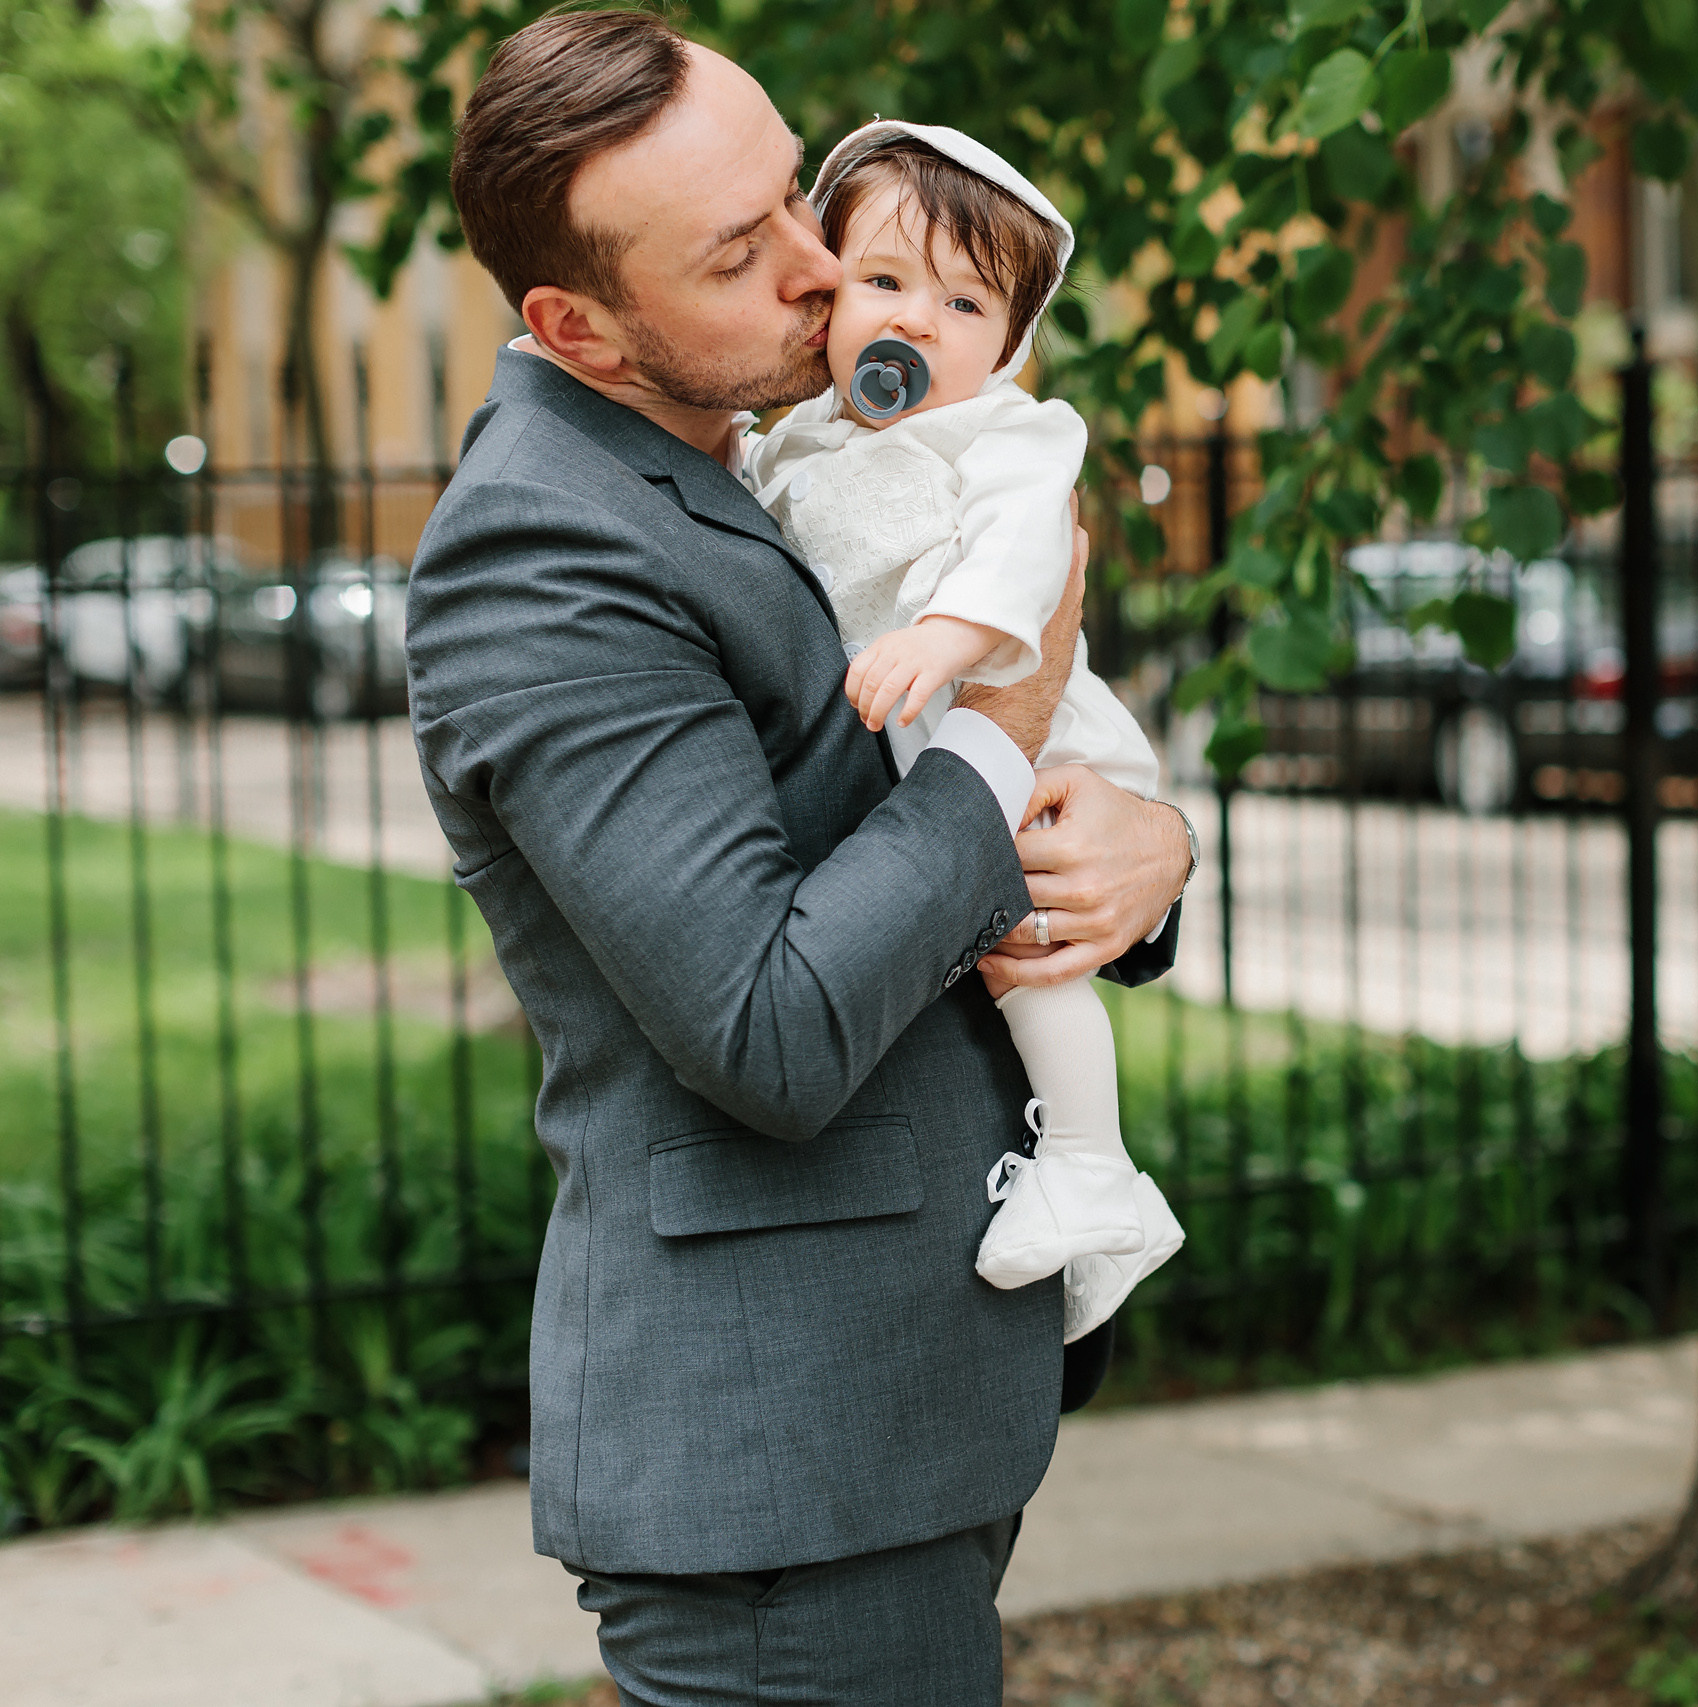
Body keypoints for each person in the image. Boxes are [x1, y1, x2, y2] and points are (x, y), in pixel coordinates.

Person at [403, 13, 1193, 1704]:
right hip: (780, 1471)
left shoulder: (771, 438)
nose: (824, 268)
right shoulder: (539, 554)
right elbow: (765, 1022)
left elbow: (894, 806)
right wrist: (1005, 722)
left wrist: (1146, 850)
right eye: (739, 250)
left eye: (794, 197)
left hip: (897, 1411)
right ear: (580, 330)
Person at [741, 120, 1182, 1345]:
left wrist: (948, 636)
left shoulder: (1006, 434)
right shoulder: (796, 442)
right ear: (829, 287)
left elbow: (1025, 550)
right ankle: (1086, 1190)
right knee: (999, 945)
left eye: (965, 302)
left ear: (1009, 344)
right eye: (883, 281)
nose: (916, 322)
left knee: (1026, 954)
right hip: (920, 745)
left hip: (1022, 734)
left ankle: (1093, 1166)